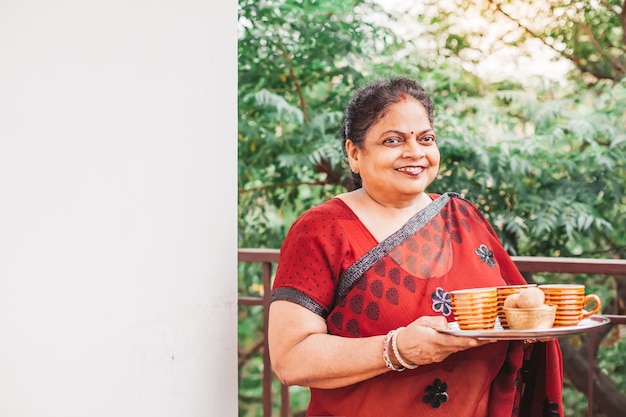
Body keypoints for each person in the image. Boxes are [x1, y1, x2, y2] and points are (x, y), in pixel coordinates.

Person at [268, 77, 563, 417]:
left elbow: (514, 313)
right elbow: (290, 360)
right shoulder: (322, 230)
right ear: (354, 153)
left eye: (426, 138)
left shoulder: (462, 217)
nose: (415, 152)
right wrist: (396, 349)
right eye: (392, 140)